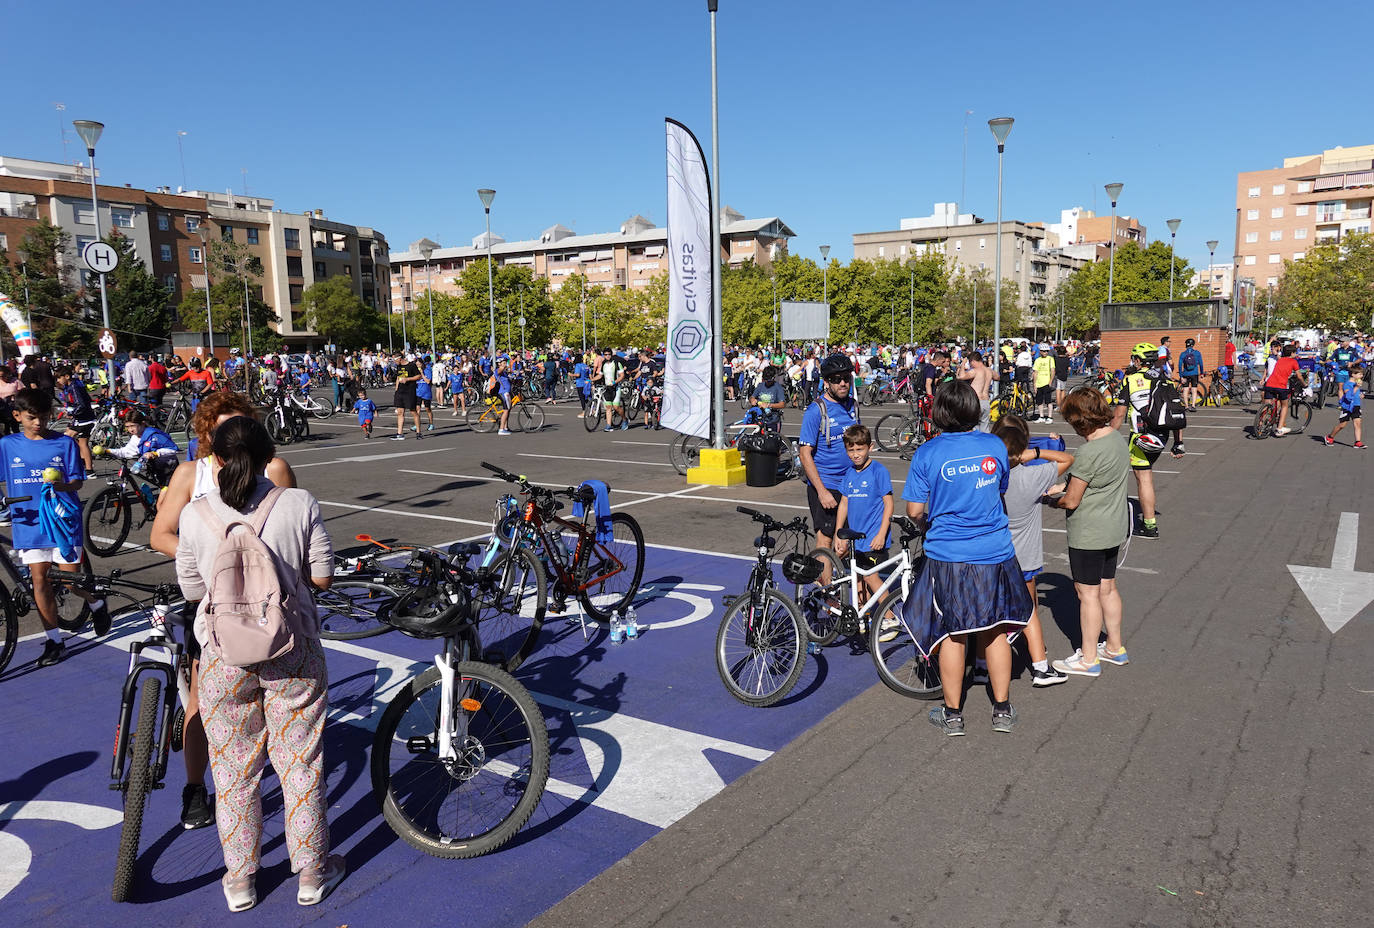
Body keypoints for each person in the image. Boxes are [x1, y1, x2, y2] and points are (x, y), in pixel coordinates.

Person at [175, 416, 343, 911]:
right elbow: (324, 576)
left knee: (232, 771)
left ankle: (241, 879)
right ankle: (312, 871)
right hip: (293, 649)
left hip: (224, 654)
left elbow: (191, 589)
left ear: (217, 459)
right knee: (300, 762)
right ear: (271, 455)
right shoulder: (297, 503)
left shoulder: (195, 514)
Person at [150, 390, 297, 831]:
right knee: (199, 699)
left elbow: (289, 532)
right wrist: (214, 564)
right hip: (212, 605)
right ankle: (196, 786)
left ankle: (283, 783)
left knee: (277, 695)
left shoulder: (274, 469)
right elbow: (160, 534)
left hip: (265, 603)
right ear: (207, 433)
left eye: (239, 425)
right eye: (220, 427)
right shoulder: (189, 474)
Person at [903, 379, 1030, 736]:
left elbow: (914, 509)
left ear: (939, 412)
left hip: (948, 555)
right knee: (996, 629)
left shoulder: (928, 452)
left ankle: (953, 714)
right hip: (995, 550)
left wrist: (930, 517)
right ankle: (1002, 710)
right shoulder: (993, 445)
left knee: (953, 634)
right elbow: (999, 489)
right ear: (974, 408)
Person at [2, 388, 110, 667]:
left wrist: (61, 485)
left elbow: (77, 482)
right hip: (28, 521)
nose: (38, 422)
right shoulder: (7, 445)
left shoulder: (65, 443)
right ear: (17, 416)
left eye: (44, 417)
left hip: (62, 519)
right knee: (39, 581)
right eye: (31, 417)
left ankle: (95, 602)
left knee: (68, 581)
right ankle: (54, 641)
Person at [1051, 386, 1131, 677]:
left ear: (1079, 420)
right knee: (1108, 587)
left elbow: (1072, 499)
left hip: (1090, 532)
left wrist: (1052, 499)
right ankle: (1114, 647)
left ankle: (1088, 658)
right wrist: (1064, 486)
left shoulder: (1088, 451)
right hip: (1114, 527)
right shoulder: (1117, 440)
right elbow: (1091, 481)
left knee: (1087, 594)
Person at [990, 415, 1072, 686]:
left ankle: (982, 663)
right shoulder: (1033, 475)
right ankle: (1040, 665)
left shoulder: (988, 479)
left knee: (991, 611)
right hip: (1024, 558)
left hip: (993, 555)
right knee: (1029, 609)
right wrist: (1036, 452)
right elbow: (1068, 460)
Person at [833, 424, 897, 641]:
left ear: (869, 447)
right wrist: (838, 533)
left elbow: (889, 504)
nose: (855, 454)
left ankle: (889, 617)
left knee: (870, 576)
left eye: (859, 449)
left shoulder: (879, 471)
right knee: (857, 578)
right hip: (854, 539)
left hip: (873, 539)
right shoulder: (849, 473)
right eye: (851, 450)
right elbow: (843, 503)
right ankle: (864, 614)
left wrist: (881, 534)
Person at [799, 354, 862, 567]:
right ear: (826, 382)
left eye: (846, 378)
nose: (843, 382)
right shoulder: (816, 410)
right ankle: (825, 593)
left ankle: (843, 589)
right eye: (836, 379)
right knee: (825, 540)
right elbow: (804, 453)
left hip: (850, 485)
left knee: (848, 539)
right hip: (827, 485)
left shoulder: (853, 406)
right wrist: (822, 491)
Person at [1113, 343, 1168, 538]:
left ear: (1138, 360)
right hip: (1162, 435)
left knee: (1143, 479)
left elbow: (1119, 415)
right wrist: (1179, 443)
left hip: (1141, 437)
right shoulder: (1165, 379)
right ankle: (1149, 520)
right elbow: (1176, 409)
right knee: (1147, 477)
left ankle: (1149, 525)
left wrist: (1107, 437)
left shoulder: (1131, 379)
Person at [98, 409, 181, 487]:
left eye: (132, 426)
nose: (130, 429)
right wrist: (108, 451)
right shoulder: (135, 437)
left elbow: (173, 449)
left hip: (168, 468)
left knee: (165, 496)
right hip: (154, 468)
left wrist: (156, 453)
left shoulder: (154, 435)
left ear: (143, 423)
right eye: (127, 426)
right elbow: (127, 452)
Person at [55, 364, 97, 472]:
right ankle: (84, 464)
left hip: (84, 419)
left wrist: (72, 412)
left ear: (67, 376)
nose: (58, 380)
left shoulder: (74, 387)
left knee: (72, 440)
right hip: (81, 418)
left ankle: (88, 468)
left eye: (59, 377)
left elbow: (81, 405)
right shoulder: (71, 386)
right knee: (77, 441)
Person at [1261, 343, 1300, 436]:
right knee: (1284, 405)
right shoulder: (1293, 361)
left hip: (1269, 383)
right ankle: (1279, 428)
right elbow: (1298, 375)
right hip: (1280, 386)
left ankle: (1260, 424)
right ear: (1292, 353)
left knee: (1267, 405)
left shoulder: (1280, 360)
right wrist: (1304, 384)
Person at [956, 350, 995, 431]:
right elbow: (997, 377)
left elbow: (961, 377)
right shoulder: (989, 370)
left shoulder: (976, 371)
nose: (970, 365)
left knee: (974, 427)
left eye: (970, 362)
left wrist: (962, 364)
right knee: (985, 427)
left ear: (973, 361)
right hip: (986, 402)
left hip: (976, 401)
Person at [1326, 369, 1365, 448]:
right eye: (1359, 374)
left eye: (1361, 374)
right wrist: (1356, 387)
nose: (1361, 376)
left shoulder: (1356, 383)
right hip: (1347, 407)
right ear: (1353, 375)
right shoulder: (1347, 384)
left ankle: (1358, 442)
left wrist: (1360, 395)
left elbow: (1356, 394)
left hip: (1356, 405)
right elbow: (1348, 396)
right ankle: (1330, 437)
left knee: (1357, 424)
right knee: (1342, 425)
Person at [391, 354, 423, 441]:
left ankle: (418, 432)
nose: (394, 362)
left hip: (410, 391)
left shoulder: (411, 365)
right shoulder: (398, 367)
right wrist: (396, 390)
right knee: (400, 412)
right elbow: (398, 378)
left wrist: (408, 379)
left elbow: (419, 376)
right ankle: (400, 433)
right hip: (400, 392)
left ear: (400, 359)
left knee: (413, 411)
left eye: (395, 360)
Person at [750, 365, 786, 429]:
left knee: (772, 438)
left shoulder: (778, 387)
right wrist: (752, 400)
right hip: (760, 418)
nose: (767, 382)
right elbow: (752, 397)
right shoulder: (760, 385)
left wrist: (769, 405)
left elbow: (782, 404)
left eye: (769, 381)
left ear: (773, 378)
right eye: (765, 380)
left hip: (773, 418)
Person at [599, 349, 627, 432]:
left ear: (611, 355)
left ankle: (624, 420)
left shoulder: (616, 363)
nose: (607, 356)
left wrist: (615, 382)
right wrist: (591, 380)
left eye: (609, 354)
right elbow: (600, 376)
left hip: (616, 387)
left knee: (616, 407)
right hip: (607, 387)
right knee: (608, 407)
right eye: (605, 354)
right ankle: (608, 426)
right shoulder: (603, 363)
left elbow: (622, 375)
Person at [1178, 338, 1205, 409]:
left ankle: (1186, 406)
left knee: (1185, 390)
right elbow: (1201, 364)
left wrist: (1181, 376)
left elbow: (1180, 365)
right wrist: (1202, 373)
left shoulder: (1183, 354)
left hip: (1185, 374)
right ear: (1193, 345)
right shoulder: (1197, 353)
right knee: (1194, 389)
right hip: (1194, 373)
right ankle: (1193, 405)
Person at [1032, 348, 1055, 422]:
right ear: (1040, 352)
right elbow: (1035, 372)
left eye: (1047, 351)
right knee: (1039, 401)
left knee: (1048, 401)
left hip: (1047, 383)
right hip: (1039, 383)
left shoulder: (1050, 359)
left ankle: (1050, 417)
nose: (1045, 352)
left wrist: (1050, 381)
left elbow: (1053, 370)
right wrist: (1034, 384)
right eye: (1044, 351)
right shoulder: (1037, 360)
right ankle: (1041, 416)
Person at [1052, 344, 1071, 412]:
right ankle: (1063, 405)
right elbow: (1069, 368)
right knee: (1063, 390)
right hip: (1064, 375)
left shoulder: (1056, 359)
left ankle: (1058, 406)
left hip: (1058, 375)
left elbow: (1053, 368)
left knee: (1058, 390)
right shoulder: (1067, 359)